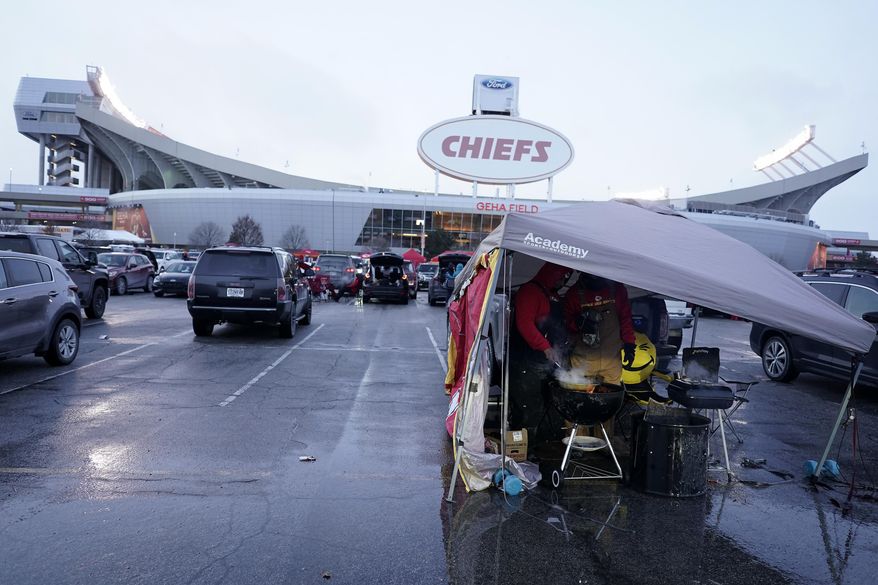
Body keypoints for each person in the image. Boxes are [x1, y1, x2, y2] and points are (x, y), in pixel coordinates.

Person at [508, 262, 572, 436]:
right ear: (551, 273)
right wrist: (545, 348)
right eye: (561, 276)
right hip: (524, 361)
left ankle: (541, 446)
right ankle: (522, 453)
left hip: (543, 362)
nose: (563, 281)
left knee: (545, 404)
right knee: (528, 407)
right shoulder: (530, 292)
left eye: (566, 277)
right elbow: (524, 325)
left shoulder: (553, 296)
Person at [564, 273, 636, 386]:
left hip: (611, 359)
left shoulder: (617, 289)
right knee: (580, 397)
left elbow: (626, 319)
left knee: (610, 397)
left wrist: (630, 345)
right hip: (583, 361)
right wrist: (577, 322)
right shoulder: (573, 293)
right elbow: (566, 323)